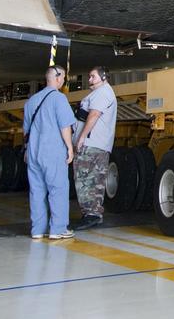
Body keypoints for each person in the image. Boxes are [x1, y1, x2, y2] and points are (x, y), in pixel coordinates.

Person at [23, 65, 75, 240]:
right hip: (52, 151)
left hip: (33, 152)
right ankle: (58, 228)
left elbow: (26, 131)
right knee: (58, 189)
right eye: (64, 78)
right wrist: (69, 147)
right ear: (58, 78)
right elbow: (65, 126)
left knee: (36, 191)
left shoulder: (31, 101)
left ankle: (37, 229)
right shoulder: (59, 99)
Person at [73, 66, 118, 231]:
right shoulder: (98, 93)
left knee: (87, 180)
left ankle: (91, 214)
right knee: (90, 179)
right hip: (94, 145)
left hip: (92, 145)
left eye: (92, 76)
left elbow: (94, 115)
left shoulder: (103, 92)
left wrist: (82, 136)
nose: (89, 79)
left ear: (103, 77)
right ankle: (91, 214)